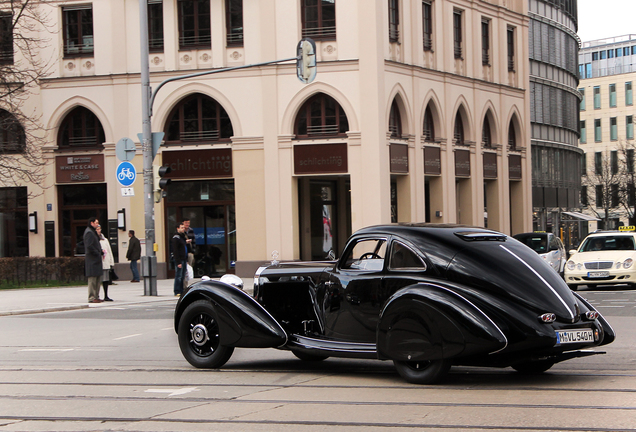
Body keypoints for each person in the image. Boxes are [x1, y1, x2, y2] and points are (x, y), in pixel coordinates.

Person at [83, 217, 103, 303]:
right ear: (91, 223)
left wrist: (100, 251)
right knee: (92, 280)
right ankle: (91, 297)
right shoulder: (89, 232)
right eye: (96, 222)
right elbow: (89, 246)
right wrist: (97, 253)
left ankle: (96, 296)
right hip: (92, 260)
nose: (97, 224)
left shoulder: (93, 232)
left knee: (98, 279)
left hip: (96, 259)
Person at [97, 225, 114, 301]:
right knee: (97, 280)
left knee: (106, 280)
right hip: (98, 263)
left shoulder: (105, 240)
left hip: (106, 262)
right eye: (97, 229)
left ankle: (106, 295)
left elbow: (109, 251)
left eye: (99, 229)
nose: (99, 230)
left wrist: (111, 262)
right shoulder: (95, 239)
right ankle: (96, 295)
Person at [171, 223, 187, 297]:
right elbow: (175, 251)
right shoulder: (176, 238)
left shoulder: (182, 237)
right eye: (181, 227)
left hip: (183, 258)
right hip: (179, 259)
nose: (183, 229)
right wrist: (178, 261)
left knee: (182, 276)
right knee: (179, 276)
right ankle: (177, 291)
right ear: (177, 228)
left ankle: (181, 290)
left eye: (184, 227)